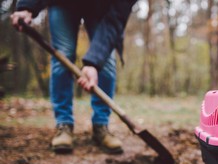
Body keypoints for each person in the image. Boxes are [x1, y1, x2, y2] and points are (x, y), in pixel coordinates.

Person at [11, 0, 138, 154]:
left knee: (106, 62)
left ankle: (101, 125)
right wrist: (27, 7)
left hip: (103, 7)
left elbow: (116, 18)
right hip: (63, 3)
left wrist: (93, 63)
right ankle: (63, 124)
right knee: (63, 55)